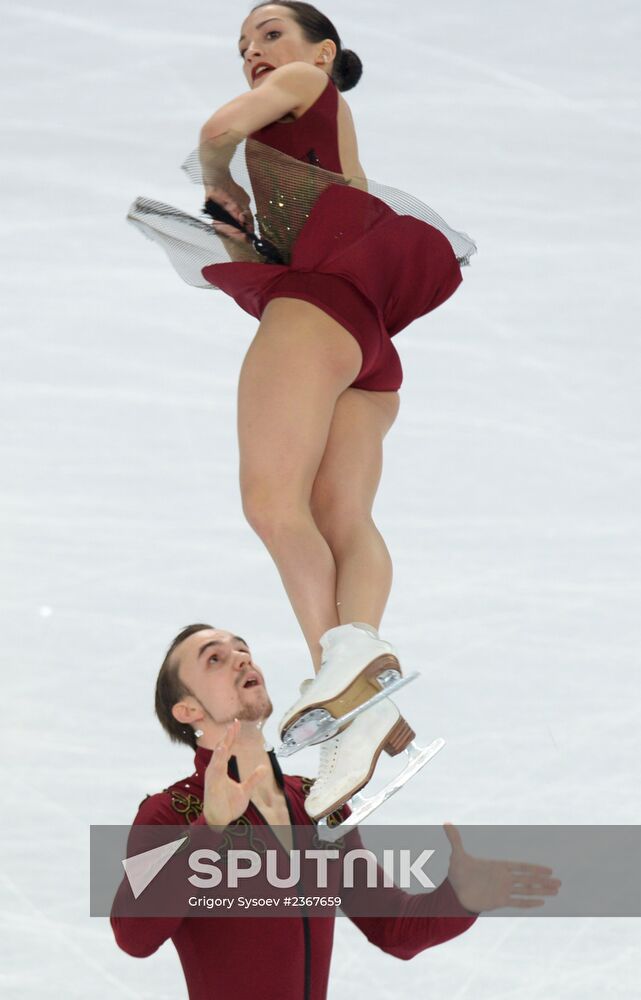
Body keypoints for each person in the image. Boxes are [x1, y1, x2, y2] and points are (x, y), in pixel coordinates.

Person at [126, 3, 479, 817]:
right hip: (366, 345)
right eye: (243, 45)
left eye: (271, 34)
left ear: (323, 53)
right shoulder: (311, 144)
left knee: (272, 505)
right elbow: (269, 246)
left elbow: (216, 130)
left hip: (316, 314)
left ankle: (346, 690)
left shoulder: (303, 84)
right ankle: (361, 700)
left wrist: (216, 174)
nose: (255, 51)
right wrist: (237, 229)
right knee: (339, 516)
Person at [110, 625, 561, 1000]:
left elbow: (393, 927)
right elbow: (133, 936)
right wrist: (209, 828)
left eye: (243, 649)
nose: (242, 659)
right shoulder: (169, 814)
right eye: (215, 658)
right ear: (188, 709)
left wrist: (461, 898)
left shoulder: (320, 802)